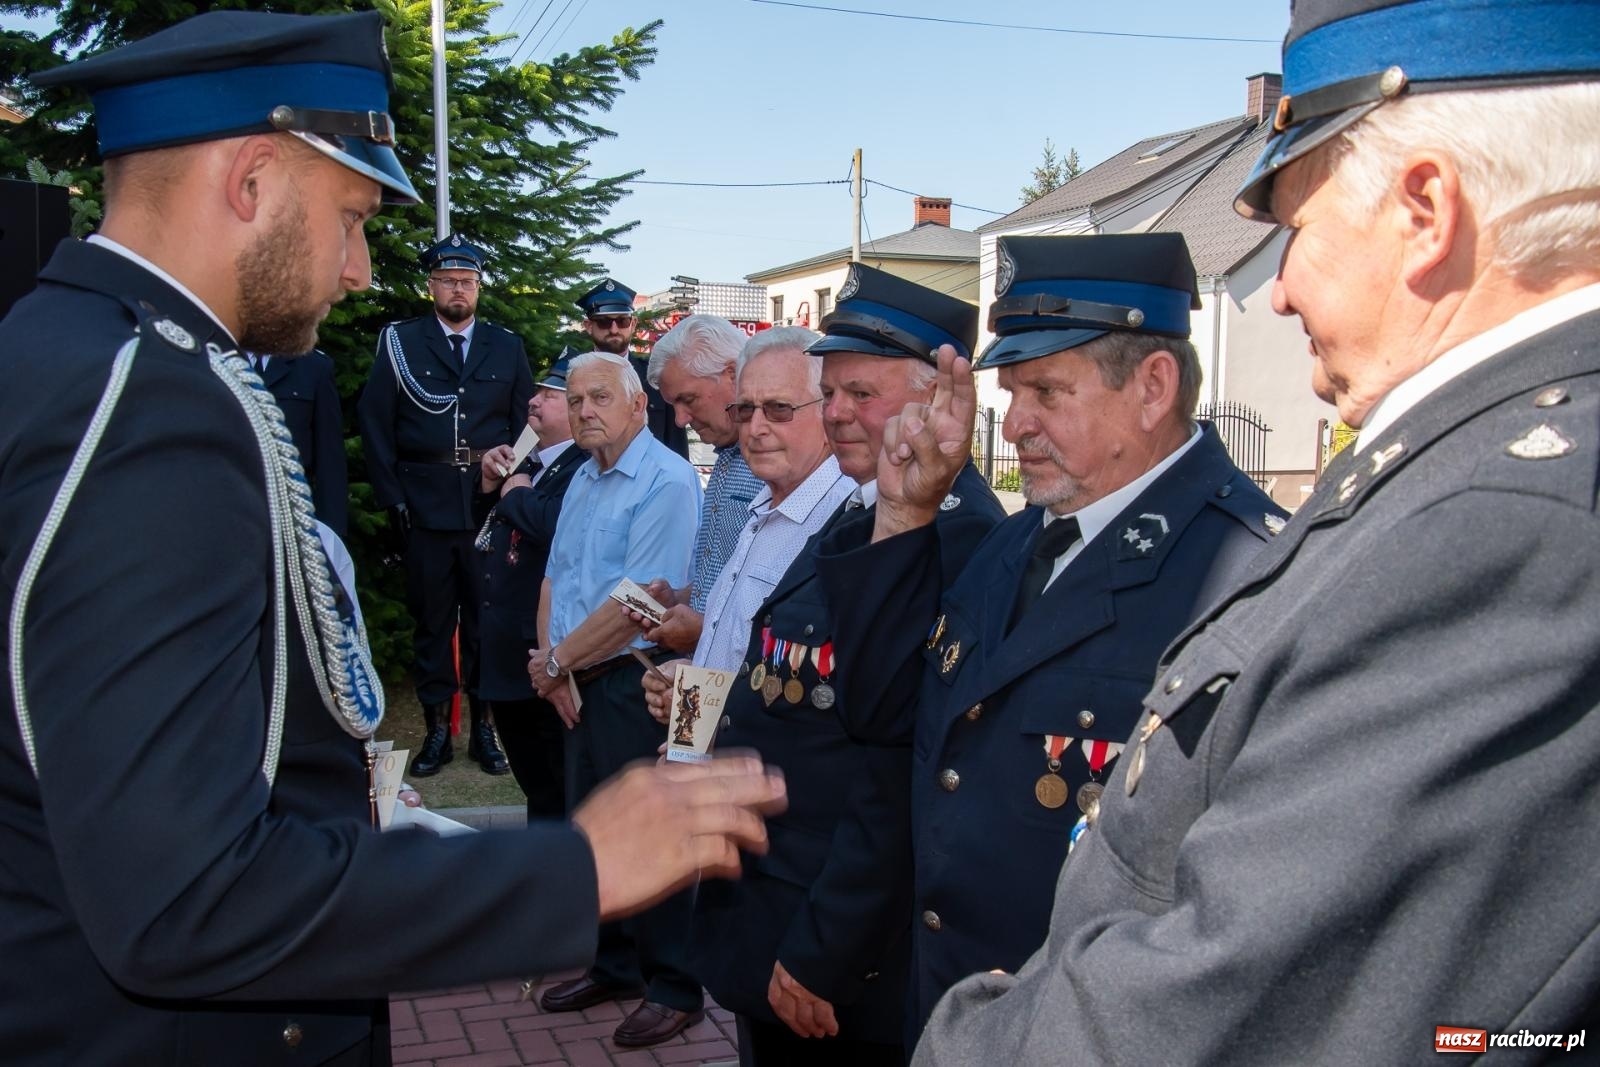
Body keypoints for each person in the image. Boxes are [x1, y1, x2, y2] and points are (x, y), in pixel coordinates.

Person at [0, 12, 783, 1065]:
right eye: (352, 216)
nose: (363, 269)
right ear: (253, 181)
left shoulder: (75, 352)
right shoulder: (150, 406)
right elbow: (184, 896)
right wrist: (580, 867)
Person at [897, 2, 1600, 1063]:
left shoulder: (1497, 525)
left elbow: (1240, 999)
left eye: (1299, 229)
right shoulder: (1469, 472)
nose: (1277, 291)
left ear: (1424, 208)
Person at [813, 234, 1285, 1036]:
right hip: (957, 1009)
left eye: (1046, 392)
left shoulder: (1248, 572)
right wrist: (903, 512)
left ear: (1152, 387)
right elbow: (887, 718)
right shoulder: (1019, 539)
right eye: (1009, 393)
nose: (1015, 423)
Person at [694, 267, 1007, 1065]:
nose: (835, 414)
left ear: (940, 398)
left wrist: (828, 947)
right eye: (828, 392)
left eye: (858, 393)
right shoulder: (864, 515)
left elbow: (903, 775)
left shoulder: (961, 541)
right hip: (776, 910)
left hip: (836, 956)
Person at [527, 353, 708, 1047]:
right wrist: (556, 670)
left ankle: (674, 986)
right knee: (595, 827)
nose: (584, 410)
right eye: (574, 400)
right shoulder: (581, 477)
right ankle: (616, 963)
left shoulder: (665, 480)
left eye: (600, 396)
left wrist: (556, 664)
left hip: (641, 683)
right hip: (578, 680)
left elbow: (640, 599)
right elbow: (556, 578)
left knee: (654, 834)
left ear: (638, 405)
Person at [359, 233, 533, 777]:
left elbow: (530, 423)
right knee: (433, 623)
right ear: (431, 286)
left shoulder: (505, 346)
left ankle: (485, 731)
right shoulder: (401, 343)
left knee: (485, 621)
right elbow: (375, 422)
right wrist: (393, 498)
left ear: (478, 287)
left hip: (487, 509)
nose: (459, 290)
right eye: (448, 281)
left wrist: (515, 486)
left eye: (468, 282)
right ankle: (437, 733)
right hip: (425, 503)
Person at [473, 350, 587, 816]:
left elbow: (558, 526)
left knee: (554, 792)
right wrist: (487, 485)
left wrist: (517, 490)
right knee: (534, 787)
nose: (534, 401)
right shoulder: (530, 458)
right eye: (537, 391)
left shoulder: (584, 464)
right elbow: (485, 539)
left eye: (549, 395)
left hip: (539, 653)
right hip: (503, 650)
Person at [638, 313, 763, 654]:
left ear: (733, 374)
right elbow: (733, 577)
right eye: (673, 405)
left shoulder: (777, 465)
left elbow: (777, 596)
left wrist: (705, 628)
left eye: (688, 400)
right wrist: (681, 597)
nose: (680, 420)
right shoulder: (726, 457)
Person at [576, 278, 689, 459]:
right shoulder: (573, 378)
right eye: (604, 322)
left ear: (633, 324)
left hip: (651, 482)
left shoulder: (655, 378)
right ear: (588, 326)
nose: (614, 329)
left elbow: (676, 447)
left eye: (622, 321)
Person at [250, 348, 350, 539]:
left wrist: (332, 534)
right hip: (228, 510)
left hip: (292, 516)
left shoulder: (313, 366)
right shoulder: (213, 359)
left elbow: (329, 458)